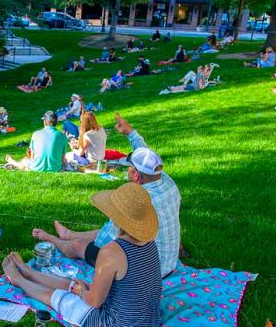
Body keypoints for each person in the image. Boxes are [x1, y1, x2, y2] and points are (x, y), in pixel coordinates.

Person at [2, 182, 162, 327]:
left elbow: (94, 301)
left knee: (62, 296)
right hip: (148, 323)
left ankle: (19, 279)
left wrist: (80, 292)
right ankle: (29, 272)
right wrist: (82, 289)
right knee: (76, 284)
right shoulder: (149, 243)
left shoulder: (112, 251)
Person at [32, 113, 181, 278]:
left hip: (143, 271)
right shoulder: (167, 183)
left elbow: (103, 242)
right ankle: (69, 234)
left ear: (136, 175)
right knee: (108, 230)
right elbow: (147, 156)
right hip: (168, 262)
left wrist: (84, 247)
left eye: (129, 168)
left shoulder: (135, 202)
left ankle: (53, 239)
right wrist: (130, 132)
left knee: (77, 246)